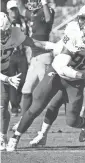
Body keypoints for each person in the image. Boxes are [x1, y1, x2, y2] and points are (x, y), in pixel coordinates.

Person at [29, 7, 85, 149]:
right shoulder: (72, 27)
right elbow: (62, 47)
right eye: (82, 16)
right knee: (54, 104)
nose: (83, 20)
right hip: (72, 73)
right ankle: (42, 134)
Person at [0, 12, 55, 151]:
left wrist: (54, 46)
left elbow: (33, 42)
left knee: (3, 105)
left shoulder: (15, 33)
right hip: (4, 75)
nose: (4, 34)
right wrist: (7, 79)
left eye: (6, 31)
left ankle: (2, 137)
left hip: (4, 71)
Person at [11, 0, 55, 132]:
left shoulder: (45, 11)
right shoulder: (34, 14)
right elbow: (22, 10)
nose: (31, 2)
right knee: (26, 91)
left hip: (44, 57)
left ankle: (77, 109)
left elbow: (48, 18)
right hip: (35, 58)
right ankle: (23, 121)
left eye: (33, 0)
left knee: (49, 94)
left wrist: (43, 0)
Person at [6, 0, 29, 116]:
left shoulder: (23, 21)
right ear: (8, 11)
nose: (14, 12)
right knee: (12, 80)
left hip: (21, 54)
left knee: (23, 79)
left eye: (16, 9)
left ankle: (16, 101)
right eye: (12, 9)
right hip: (9, 55)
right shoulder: (4, 21)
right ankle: (14, 106)